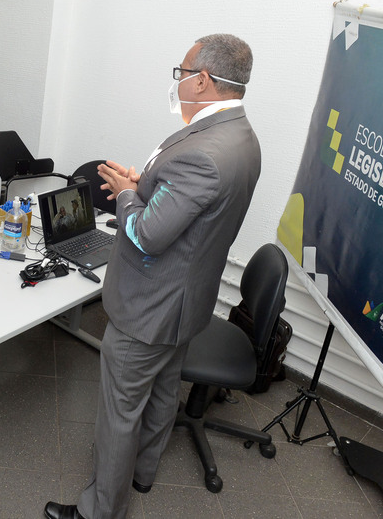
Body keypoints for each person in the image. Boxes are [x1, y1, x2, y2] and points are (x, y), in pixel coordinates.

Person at [44, 34, 261, 519]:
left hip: (148, 307)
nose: (177, 80)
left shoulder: (204, 153)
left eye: (181, 72)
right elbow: (195, 212)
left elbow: (145, 235)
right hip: (186, 303)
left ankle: (100, 511)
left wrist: (126, 196)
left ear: (202, 80)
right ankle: (143, 472)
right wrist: (144, 187)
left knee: (120, 412)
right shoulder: (242, 137)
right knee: (163, 390)